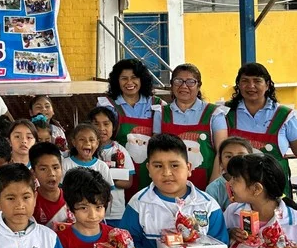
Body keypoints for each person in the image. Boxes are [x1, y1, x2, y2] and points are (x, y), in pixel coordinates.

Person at [121, 134, 228, 248]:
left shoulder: (208, 205)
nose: (167, 173)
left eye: (174, 165)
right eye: (158, 166)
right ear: (148, 168)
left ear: (189, 167)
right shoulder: (138, 205)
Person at [225, 62, 297, 194]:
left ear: (267, 85)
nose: (251, 86)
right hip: (239, 190)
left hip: (275, 190)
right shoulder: (226, 114)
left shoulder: (285, 116)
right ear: (238, 85)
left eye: (257, 81)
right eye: (245, 81)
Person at [152, 63, 228, 190]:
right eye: (178, 81)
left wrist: (212, 188)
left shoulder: (214, 114)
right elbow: (156, 151)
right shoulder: (161, 113)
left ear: (199, 86)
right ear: (171, 84)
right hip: (168, 183)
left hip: (206, 182)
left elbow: (222, 153)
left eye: (190, 82)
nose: (183, 86)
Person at [98, 59, 166, 200]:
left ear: (142, 80)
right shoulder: (107, 105)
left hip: (150, 169)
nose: (129, 83)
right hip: (119, 171)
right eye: (124, 78)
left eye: (134, 78)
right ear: (117, 81)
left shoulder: (157, 104)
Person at [62, 124, 115, 196]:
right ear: (74, 142)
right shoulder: (65, 164)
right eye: (82, 139)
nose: (87, 143)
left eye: (91, 140)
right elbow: (60, 191)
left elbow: (108, 193)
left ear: (97, 143)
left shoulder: (102, 166)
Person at [203, 136, 253, 211]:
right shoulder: (213, 189)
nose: (235, 160)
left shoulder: (255, 185)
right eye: (229, 156)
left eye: (241, 155)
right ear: (220, 162)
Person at [30, 142, 72, 228]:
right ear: (33, 173)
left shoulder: (72, 197)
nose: (51, 173)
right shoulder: (31, 202)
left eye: (55, 167)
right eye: (43, 169)